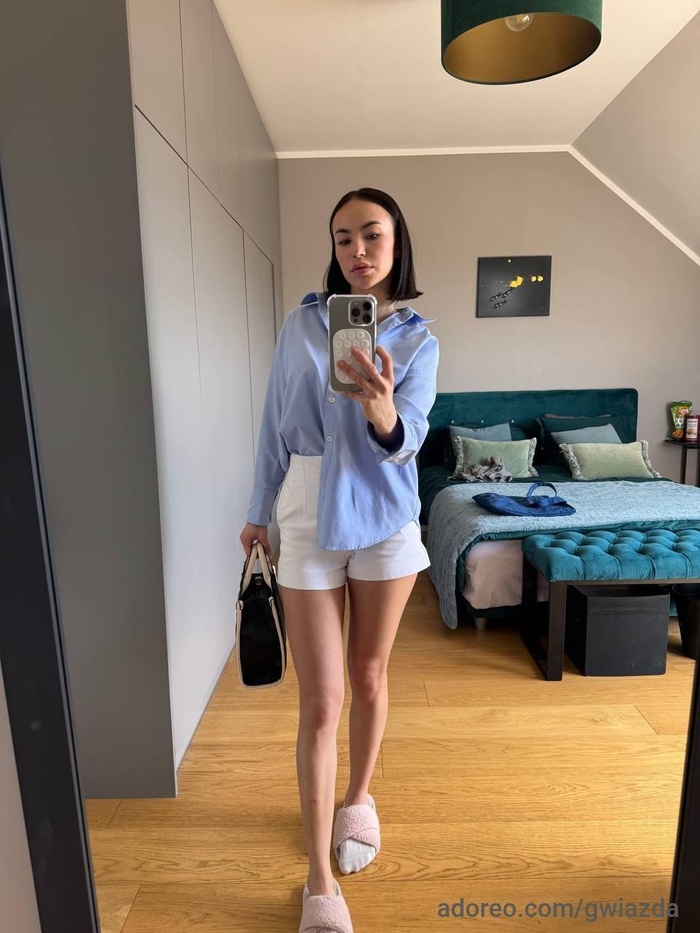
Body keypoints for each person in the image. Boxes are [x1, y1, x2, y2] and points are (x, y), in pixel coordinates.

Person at [240, 187, 439, 933]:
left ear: (397, 243)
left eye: (372, 235)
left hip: (383, 509)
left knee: (370, 674)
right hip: (305, 503)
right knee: (321, 699)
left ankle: (358, 799)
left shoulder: (419, 339)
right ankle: (318, 880)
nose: (358, 250)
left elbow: (410, 439)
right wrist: (257, 510)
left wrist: (381, 408)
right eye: (343, 236)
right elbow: (272, 423)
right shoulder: (300, 325)